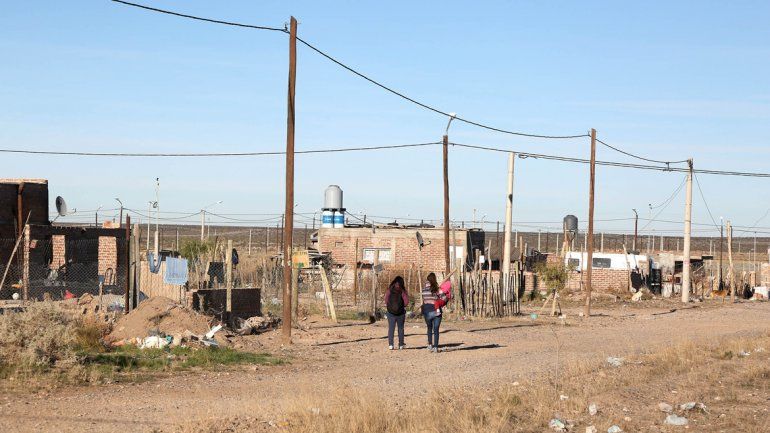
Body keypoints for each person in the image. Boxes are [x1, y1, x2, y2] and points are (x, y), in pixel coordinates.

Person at [384, 276, 409, 350]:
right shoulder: (402, 290)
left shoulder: (390, 289)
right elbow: (406, 302)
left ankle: (391, 345)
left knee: (391, 328)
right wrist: (401, 306)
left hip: (390, 313)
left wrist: (390, 306)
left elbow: (386, 300)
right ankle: (401, 345)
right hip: (401, 313)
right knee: (400, 329)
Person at [422, 273, 444, 353]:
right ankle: (435, 347)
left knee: (429, 328)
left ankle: (430, 344)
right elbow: (444, 298)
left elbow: (424, 300)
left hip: (427, 311)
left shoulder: (424, 290)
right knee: (436, 330)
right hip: (437, 311)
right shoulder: (437, 289)